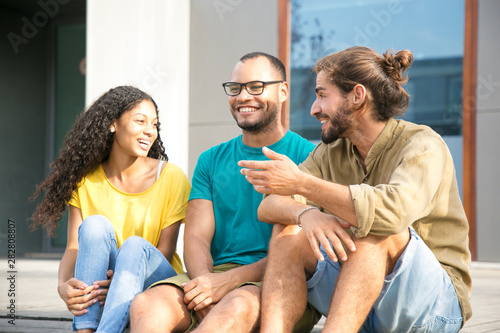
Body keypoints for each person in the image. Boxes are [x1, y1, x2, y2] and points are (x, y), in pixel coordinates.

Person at [239, 46, 472, 332]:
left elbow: (392, 213)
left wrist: (302, 184)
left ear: (357, 96)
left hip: (432, 310)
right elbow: (269, 204)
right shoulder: (332, 151)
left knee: (376, 229)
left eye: (322, 95)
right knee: (287, 231)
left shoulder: (423, 145)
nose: (314, 109)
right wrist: (307, 215)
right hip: (366, 307)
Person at [129, 52, 318, 332]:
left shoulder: (310, 157)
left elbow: (305, 252)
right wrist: (206, 284)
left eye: (256, 87)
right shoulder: (211, 159)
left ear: (283, 91)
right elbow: (195, 237)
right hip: (213, 276)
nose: (243, 97)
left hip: (281, 282)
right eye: (235, 88)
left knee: (236, 306)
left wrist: (227, 283)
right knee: (147, 304)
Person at [30, 85, 190, 333]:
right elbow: (74, 246)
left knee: (135, 246)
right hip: (103, 286)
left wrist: (120, 282)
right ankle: (85, 329)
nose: (150, 131)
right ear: (113, 124)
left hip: (155, 284)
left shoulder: (171, 177)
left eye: (154, 124)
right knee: (94, 225)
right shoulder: (85, 181)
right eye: (140, 121)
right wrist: (63, 285)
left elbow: (165, 251)